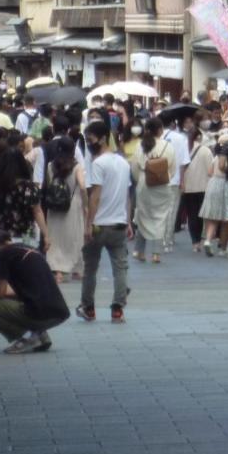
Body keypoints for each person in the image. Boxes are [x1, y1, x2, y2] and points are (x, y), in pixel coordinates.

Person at [0, 229, 72, 354]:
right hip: (59, 312)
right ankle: (40, 334)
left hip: (38, 314)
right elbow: (21, 292)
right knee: (4, 300)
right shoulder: (29, 249)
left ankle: (28, 338)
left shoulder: (4, 255)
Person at [77, 120, 133, 323]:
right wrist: (128, 221)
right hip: (118, 224)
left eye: (90, 139)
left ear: (101, 138)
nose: (88, 143)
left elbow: (95, 196)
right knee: (120, 267)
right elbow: (127, 195)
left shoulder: (98, 164)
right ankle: (118, 308)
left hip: (99, 224)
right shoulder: (123, 163)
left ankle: (88, 307)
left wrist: (88, 223)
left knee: (90, 268)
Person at [0, 148, 50, 251]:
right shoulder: (29, 187)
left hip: (0, 236)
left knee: (2, 264)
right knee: (24, 264)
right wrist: (46, 235)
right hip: (25, 236)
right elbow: (37, 211)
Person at [130, 119, 176, 264]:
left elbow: (134, 168)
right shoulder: (168, 146)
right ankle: (156, 253)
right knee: (160, 217)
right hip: (163, 182)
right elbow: (172, 168)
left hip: (144, 182)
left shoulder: (140, 145)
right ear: (160, 130)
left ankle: (139, 251)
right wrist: (164, 176)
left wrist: (141, 179)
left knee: (143, 215)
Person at [44, 137, 87, 282]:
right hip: (72, 204)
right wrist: (85, 203)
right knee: (73, 237)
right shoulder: (76, 166)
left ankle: (58, 271)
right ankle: (75, 269)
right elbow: (82, 186)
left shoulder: (51, 165)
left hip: (54, 204)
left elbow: (49, 183)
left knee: (55, 238)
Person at [157, 112, 191, 252]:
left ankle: (159, 236)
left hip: (157, 178)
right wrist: (182, 179)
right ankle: (167, 238)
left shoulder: (155, 137)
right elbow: (184, 161)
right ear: (173, 123)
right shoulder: (180, 138)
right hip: (174, 178)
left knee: (159, 209)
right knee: (171, 209)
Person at [181, 123, 212, 252]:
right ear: (199, 137)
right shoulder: (206, 150)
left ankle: (195, 242)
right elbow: (210, 170)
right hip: (203, 186)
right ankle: (202, 238)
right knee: (201, 214)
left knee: (192, 215)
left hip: (188, 187)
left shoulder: (184, 150)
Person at [199, 128, 228, 256]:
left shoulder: (216, 157)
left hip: (212, 184)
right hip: (224, 184)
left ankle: (207, 241)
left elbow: (209, 172)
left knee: (212, 218)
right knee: (224, 219)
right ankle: (223, 248)